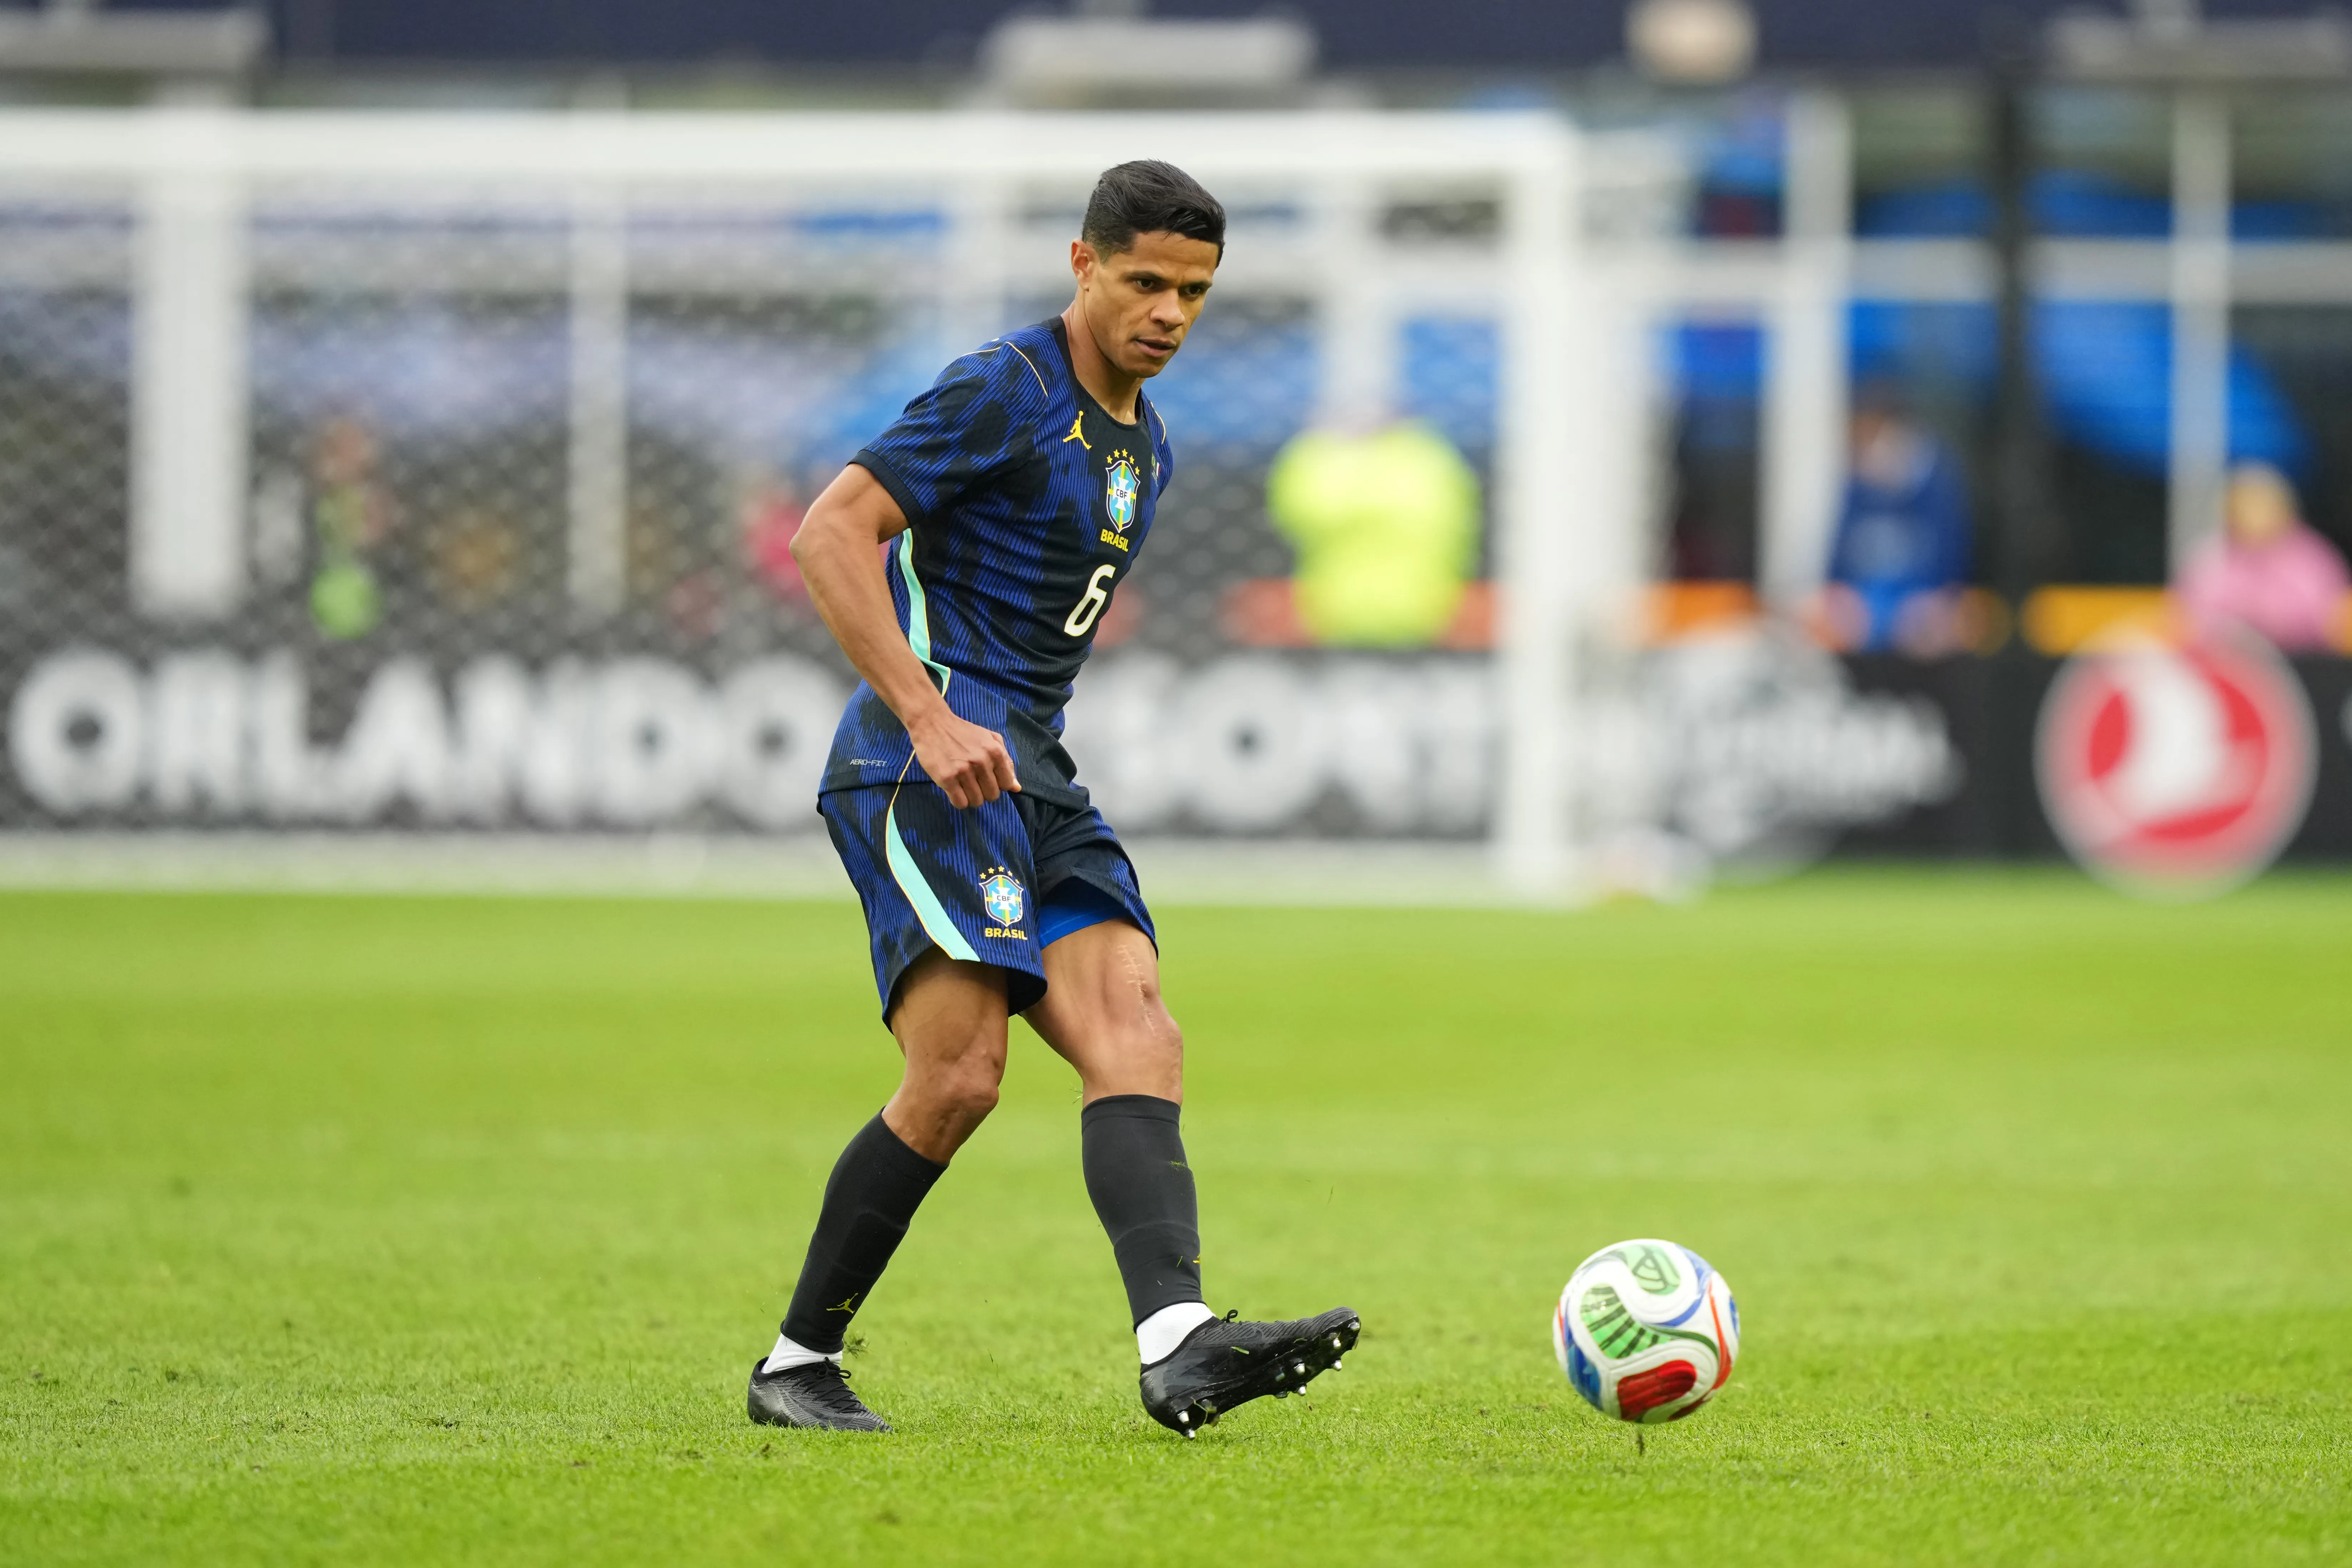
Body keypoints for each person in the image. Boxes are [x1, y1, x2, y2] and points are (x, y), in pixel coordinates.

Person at [748, 161, 1359, 1438]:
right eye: (1144, 281)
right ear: (1082, 266)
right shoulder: (1002, 387)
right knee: (959, 1073)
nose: (1168, 311)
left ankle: (1178, 1341)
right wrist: (927, 710)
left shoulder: (1148, 441)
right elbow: (827, 531)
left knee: (1137, 1026)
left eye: (1192, 290)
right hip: (921, 761)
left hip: (1033, 768)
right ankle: (794, 1360)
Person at [1823, 387, 1971, 654]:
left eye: (1873, 436)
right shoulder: (1855, 488)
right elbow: (1837, 561)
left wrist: (1938, 601)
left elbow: (1951, 557)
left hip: (1922, 602)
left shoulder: (1936, 485)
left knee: (1931, 626)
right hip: (1866, 603)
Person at [2176, 463, 2349, 652]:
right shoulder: (2211, 556)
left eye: (2261, 506)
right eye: (2244, 507)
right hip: (2227, 663)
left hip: (2305, 663)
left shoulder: (2313, 556)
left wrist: (2272, 620)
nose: (2253, 515)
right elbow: (2192, 618)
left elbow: (2329, 617)